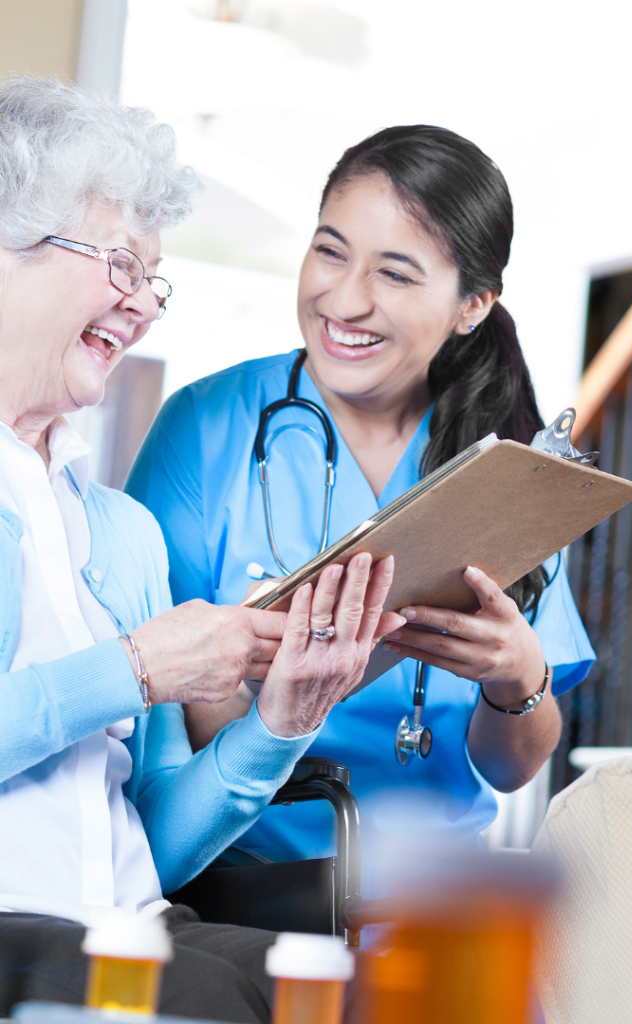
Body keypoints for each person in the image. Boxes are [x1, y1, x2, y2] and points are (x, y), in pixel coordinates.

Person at [0, 75, 403, 1020]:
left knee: (383, 993)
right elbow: (116, 680)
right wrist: (135, 668)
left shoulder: (121, 536)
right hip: (14, 932)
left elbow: (157, 845)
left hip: (130, 927)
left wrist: (284, 718)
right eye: (121, 265)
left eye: (154, 278)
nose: (144, 305)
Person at [128, 125, 595, 891]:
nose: (344, 300)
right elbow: (152, 702)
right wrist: (266, 687)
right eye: (330, 251)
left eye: (397, 274)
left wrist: (517, 675)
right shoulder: (206, 424)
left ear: (471, 304)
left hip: (432, 902)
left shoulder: (505, 467)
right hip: (233, 887)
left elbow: (510, 771)